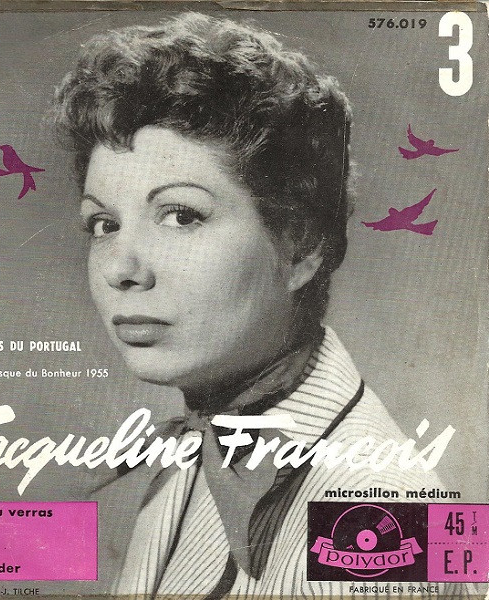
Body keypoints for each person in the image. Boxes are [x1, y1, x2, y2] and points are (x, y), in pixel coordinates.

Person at [53, 13, 469, 599]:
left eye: (182, 216)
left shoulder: (384, 516)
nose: (122, 269)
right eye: (104, 224)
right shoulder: (202, 444)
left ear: (300, 248)